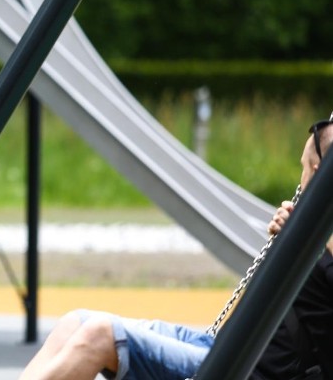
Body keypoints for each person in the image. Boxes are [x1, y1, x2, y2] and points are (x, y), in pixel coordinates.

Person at [19, 116, 333, 380]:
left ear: (318, 174)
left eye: (304, 167)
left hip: (245, 370)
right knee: (75, 323)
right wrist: (291, 240)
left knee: (99, 335)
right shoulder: (316, 227)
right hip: (221, 348)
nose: (301, 178)